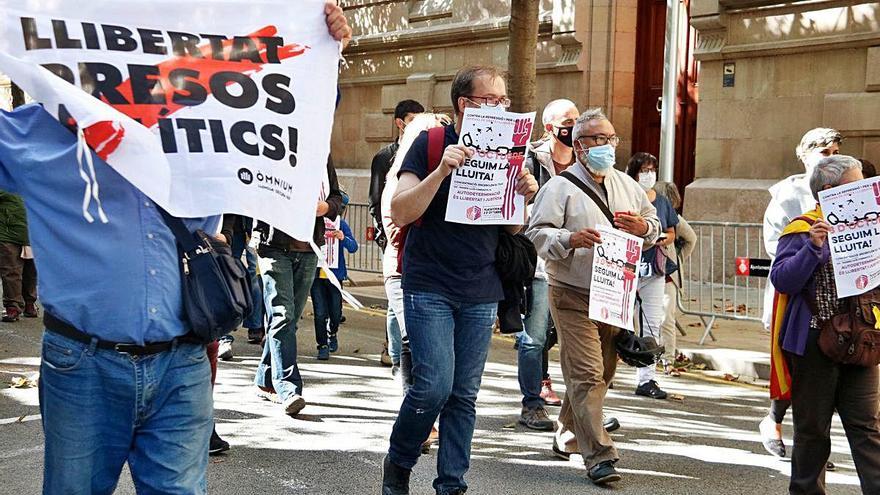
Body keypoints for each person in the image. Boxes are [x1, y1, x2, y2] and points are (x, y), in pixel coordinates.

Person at [1, 5, 351, 492]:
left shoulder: (208, 104)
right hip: (83, 367)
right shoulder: (31, 133)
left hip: (181, 365)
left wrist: (320, 46)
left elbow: (295, 108)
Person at [381, 65, 538, 495]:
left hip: (481, 286)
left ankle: (452, 483)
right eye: (491, 100)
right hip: (428, 283)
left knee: (464, 394)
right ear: (465, 105)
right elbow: (400, 211)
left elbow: (511, 230)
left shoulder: (509, 151)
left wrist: (522, 194)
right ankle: (398, 464)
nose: (500, 108)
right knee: (432, 387)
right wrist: (441, 171)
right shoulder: (431, 143)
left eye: (504, 101)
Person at [527, 108, 660, 485]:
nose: (605, 146)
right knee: (586, 372)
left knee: (602, 374)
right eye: (596, 140)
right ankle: (600, 455)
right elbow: (537, 233)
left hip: (615, 292)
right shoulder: (560, 186)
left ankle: (568, 434)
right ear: (579, 145)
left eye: (610, 139)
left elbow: (652, 224)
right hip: (571, 292)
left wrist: (644, 227)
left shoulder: (627, 184)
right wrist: (569, 239)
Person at [770, 155, 880, 495]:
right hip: (815, 342)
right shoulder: (803, 229)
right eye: (856, 184)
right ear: (830, 192)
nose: (865, 190)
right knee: (812, 429)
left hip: (864, 338)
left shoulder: (872, 225)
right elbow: (783, 280)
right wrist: (814, 248)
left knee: (868, 428)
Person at [760, 127, 842, 458]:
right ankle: (775, 421)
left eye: (836, 152)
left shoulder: (846, 195)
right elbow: (776, 247)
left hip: (836, 302)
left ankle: (813, 445)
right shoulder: (786, 196)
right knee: (793, 366)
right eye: (824, 153)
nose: (831, 158)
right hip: (794, 297)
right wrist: (813, 247)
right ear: (805, 154)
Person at [253, 155, 344, 417]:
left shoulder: (321, 155)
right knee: (282, 315)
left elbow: (337, 197)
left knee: (287, 321)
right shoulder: (269, 150)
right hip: (273, 246)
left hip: (308, 248)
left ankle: (265, 378)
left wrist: (325, 207)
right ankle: (288, 388)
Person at [517, 98, 579, 431]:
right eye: (567, 121)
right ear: (549, 127)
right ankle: (532, 404)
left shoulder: (586, 160)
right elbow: (517, 204)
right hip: (541, 262)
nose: (574, 126)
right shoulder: (531, 160)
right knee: (535, 336)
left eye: (577, 119)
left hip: (579, 264)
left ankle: (581, 411)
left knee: (578, 339)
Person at [371, 100, 425, 368]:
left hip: (417, 263)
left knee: (399, 313)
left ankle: (396, 359)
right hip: (397, 255)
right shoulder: (385, 159)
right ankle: (395, 359)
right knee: (405, 324)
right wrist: (385, 240)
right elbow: (379, 204)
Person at [625, 152, 678, 399]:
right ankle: (606, 373)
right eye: (643, 170)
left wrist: (660, 238)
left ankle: (647, 379)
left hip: (653, 269)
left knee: (652, 324)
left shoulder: (663, 202)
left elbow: (671, 232)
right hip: (625, 267)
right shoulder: (623, 195)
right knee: (618, 324)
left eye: (652, 170)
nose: (648, 175)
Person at [654, 181, 696, 371]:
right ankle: (652, 354)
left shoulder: (675, 219)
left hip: (667, 274)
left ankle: (668, 358)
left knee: (666, 318)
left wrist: (678, 259)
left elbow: (691, 239)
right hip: (649, 272)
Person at [311, 198, 358, 360]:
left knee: (335, 312)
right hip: (317, 276)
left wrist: (343, 238)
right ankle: (322, 345)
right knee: (319, 312)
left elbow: (354, 247)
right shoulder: (314, 224)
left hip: (335, 276)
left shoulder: (342, 224)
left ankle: (333, 333)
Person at [216, 214, 267, 361]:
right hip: (233, 225)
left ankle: (257, 326)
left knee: (254, 276)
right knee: (228, 277)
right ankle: (224, 336)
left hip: (254, 226)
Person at [0, 190, 37, 322]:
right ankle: (12, 307)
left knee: (31, 271)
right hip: (7, 233)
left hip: (32, 233)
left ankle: (29, 303)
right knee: (10, 270)